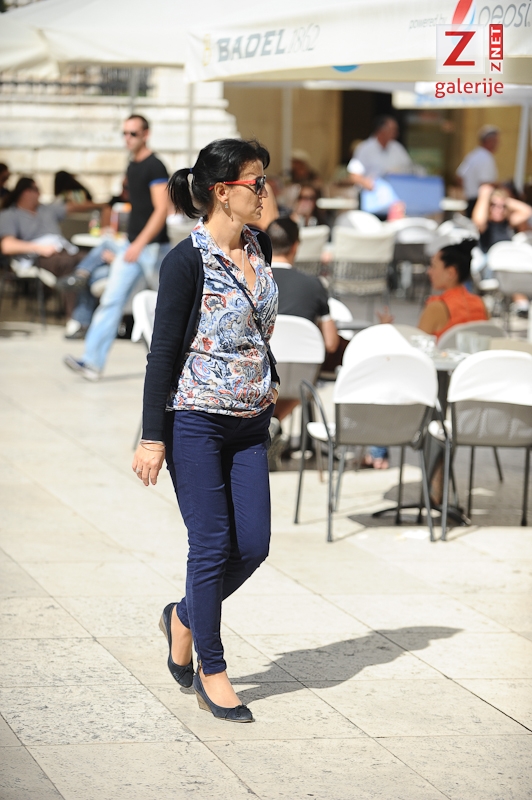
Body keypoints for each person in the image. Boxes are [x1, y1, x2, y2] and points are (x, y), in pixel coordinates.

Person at [131, 138, 277, 723]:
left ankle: (184, 615)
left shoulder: (260, 245)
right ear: (221, 191)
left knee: (254, 545)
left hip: (251, 422)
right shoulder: (185, 261)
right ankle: (211, 669)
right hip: (195, 420)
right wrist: (151, 436)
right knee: (212, 544)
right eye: (255, 183)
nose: (264, 191)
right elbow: (162, 353)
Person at [64, 114, 170, 380]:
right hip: (132, 247)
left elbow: (162, 210)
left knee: (169, 307)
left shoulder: (155, 166)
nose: (127, 138)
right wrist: (128, 241)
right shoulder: (132, 165)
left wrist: (139, 244)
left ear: (146, 134)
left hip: (153, 250)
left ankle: (181, 365)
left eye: (133, 133)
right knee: (111, 300)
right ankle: (92, 362)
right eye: (124, 133)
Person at [268, 216, 338, 417]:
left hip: (257, 374)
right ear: (295, 246)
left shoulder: (252, 281)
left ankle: (271, 423)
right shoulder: (314, 285)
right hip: (298, 380)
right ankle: (275, 422)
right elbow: (331, 343)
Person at [0, 176, 84, 297]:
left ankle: (89, 306)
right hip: (38, 257)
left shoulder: (46, 209)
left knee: (88, 258)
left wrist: (103, 205)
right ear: (26, 192)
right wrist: (39, 248)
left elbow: (74, 207)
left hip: (64, 250)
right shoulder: (10, 214)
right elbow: (7, 246)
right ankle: (73, 308)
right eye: (37, 189)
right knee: (68, 264)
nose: (40, 193)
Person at [347, 115, 413, 191]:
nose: (396, 133)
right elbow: (354, 175)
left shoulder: (397, 148)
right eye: (393, 130)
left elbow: (410, 169)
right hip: (372, 193)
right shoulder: (364, 148)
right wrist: (367, 183)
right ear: (381, 130)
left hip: (397, 192)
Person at [456, 125, 500, 217]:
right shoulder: (486, 157)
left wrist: (466, 191)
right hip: (479, 202)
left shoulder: (473, 155)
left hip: (470, 200)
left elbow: (459, 177)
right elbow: (486, 184)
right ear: (489, 141)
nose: (498, 144)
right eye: (496, 141)